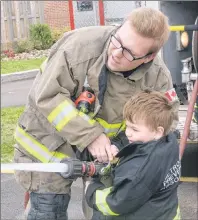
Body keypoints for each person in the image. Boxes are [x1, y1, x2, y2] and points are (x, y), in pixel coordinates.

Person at [13, 7, 180, 220]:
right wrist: (91, 136)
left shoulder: (157, 78)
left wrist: (122, 146)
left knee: (102, 211)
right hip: (49, 146)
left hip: (106, 154)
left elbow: (167, 119)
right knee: (48, 212)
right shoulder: (78, 47)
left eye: (129, 52)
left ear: (149, 57)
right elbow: (47, 96)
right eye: (117, 41)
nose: (116, 53)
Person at [85, 90, 181, 220]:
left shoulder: (139, 171)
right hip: (166, 213)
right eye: (127, 127)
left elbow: (117, 203)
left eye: (134, 129)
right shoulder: (169, 141)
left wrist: (91, 190)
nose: (128, 133)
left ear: (158, 132)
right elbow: (134, 137)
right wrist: (117, 146)